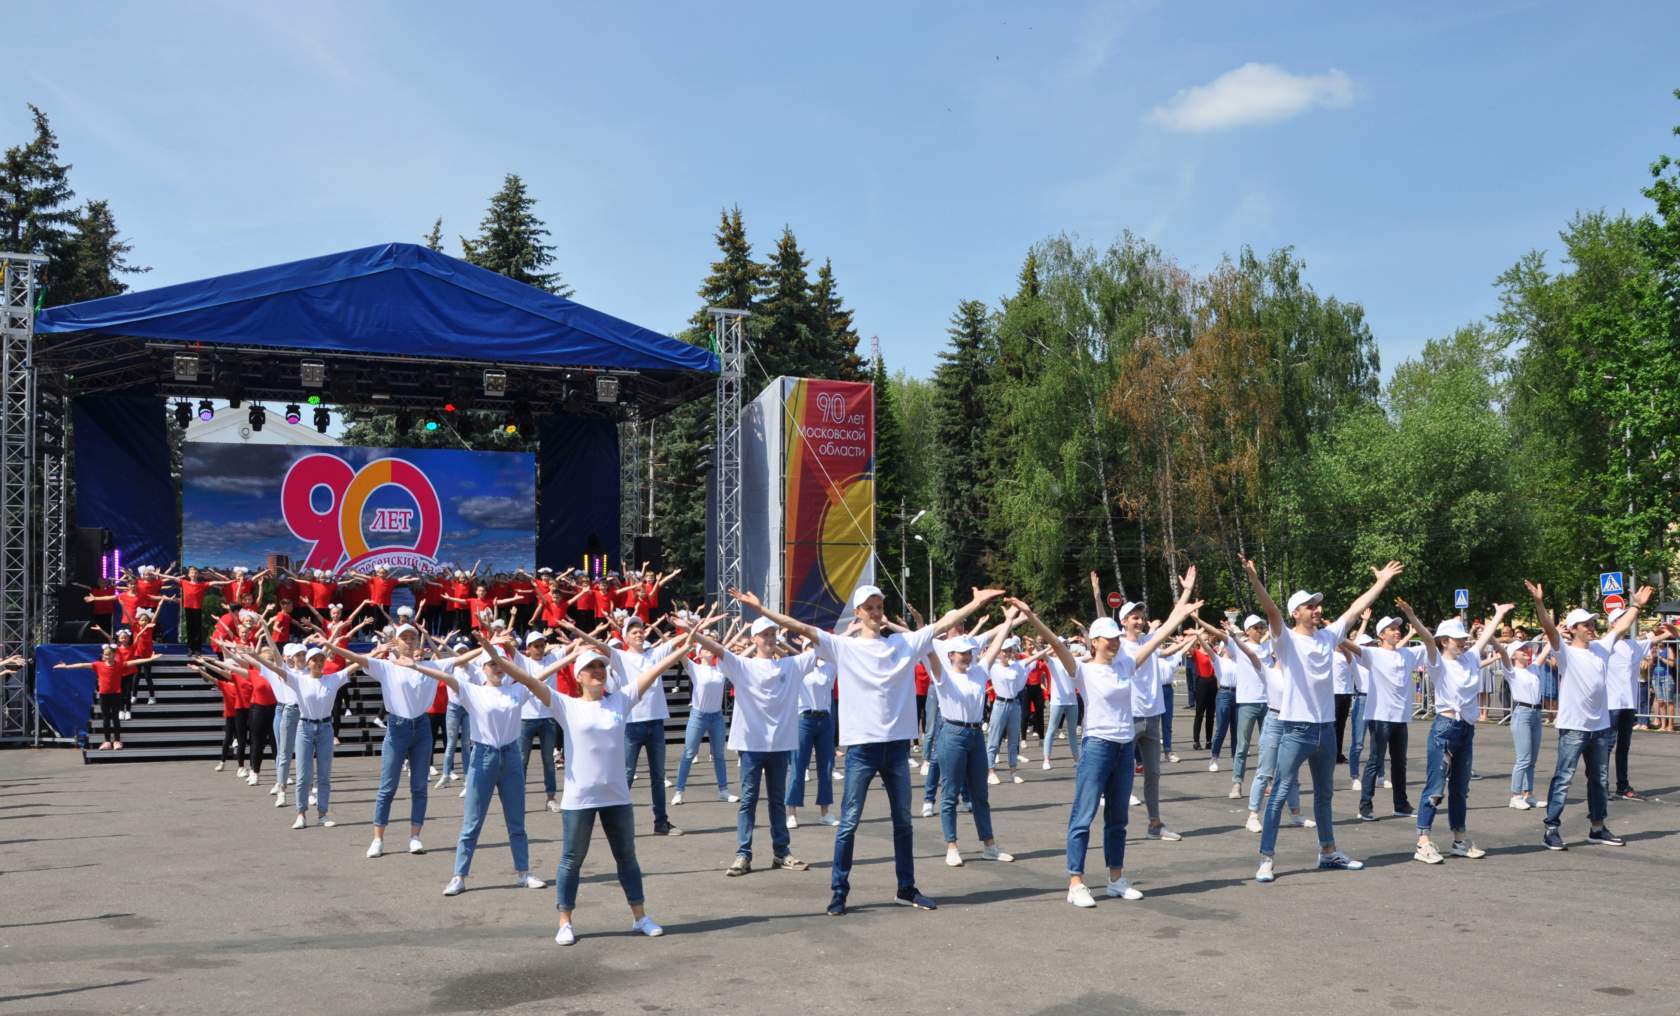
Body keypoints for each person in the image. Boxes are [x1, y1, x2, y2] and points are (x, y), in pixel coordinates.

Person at [731, 582, 1004, 917]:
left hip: (896, 748)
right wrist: (761, 611)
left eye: (879, 607)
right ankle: (839, 891)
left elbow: (943, 625)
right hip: (861, 748)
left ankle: (906, 888)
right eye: (869, 608)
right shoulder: (843, 647)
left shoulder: (903, 644)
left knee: (903, 821)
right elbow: (800, 627)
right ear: (858, 613)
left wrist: (974, 603)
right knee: (849, 823)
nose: (875, 612)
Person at [473, 626, 698, 945]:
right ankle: (565, 921)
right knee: (571, 859)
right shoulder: (565, 704)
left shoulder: (621, 700)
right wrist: (496, 656)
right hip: (579, 799)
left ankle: (640, 917)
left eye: (601, 667)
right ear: (578, 675)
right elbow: (526, 680)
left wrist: (684, 647)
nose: (598, 671)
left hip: (617, 797)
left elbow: (656, 669)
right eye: (590, 667)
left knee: (627, 858)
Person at [1014, 573, 1199, 908]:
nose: (1115, 642)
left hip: (1123, 747)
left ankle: (1116, 879)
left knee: (1118, 819)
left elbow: (1160, 636)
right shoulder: (1083, 670)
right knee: (1083, 815)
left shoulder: (1125, 665)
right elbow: (1055, 645)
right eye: (1108, 638)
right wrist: (1030, 615)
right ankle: (1076, 882)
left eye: (1117, 637)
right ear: (1095, 641)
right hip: (1097, 746)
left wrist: (1183, 599)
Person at [1241, 556, 1402, 882]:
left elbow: (1355, 609)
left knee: (1324, 795)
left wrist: (1381, 583)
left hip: (1325, 729)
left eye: (1317, 605)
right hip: (1295, 729)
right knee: (1280, 792)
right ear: (1296, 613)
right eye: (1309, 606)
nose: (1316, 609)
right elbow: (1271, 611)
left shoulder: (1328, 637)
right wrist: (1254, 579)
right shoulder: (1285, 639)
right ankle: (1267, 857)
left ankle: (1328, 852)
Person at [404, 639, 550, 899]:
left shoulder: (517, 690)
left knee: (517, 821)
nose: (497, 667)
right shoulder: (473, 691)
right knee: (472, 822)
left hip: (511, 758)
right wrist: (417, 666)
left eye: (500, 663)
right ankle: (459, 875)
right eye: (492, 663)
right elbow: (445, 677)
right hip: (483, 758)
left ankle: (524, 872)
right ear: (483, 667)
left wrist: (574, 655)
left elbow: (545, 672)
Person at [1527, 580, 1650, 849]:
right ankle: (1551, 828)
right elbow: (1548, 627)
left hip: (1600, 727)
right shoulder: (1565, 652)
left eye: (1593, 623)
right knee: (1564, 777)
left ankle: (1597, 827)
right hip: (1573, 726)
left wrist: (1637, 606)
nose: (1592, 627)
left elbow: (1620, 626)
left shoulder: (1600, 648)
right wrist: (1539, 603)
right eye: (1586, 625)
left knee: (1599, 779)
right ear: (1573, 630)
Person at [687, 616, 814, 876]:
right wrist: (693, 633)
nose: (769, 639)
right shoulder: (742, 666)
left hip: (780, 746)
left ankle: (782, 853)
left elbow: (822, 645)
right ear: (754, 639)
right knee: (749, 801)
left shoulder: (791, 666)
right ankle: (743, 854)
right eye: (764, 635)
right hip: (751, 745)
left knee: (778, 801)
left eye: (772, 634)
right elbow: (718, 649)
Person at [318, 625, 456, 859]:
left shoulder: (430, 667)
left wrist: (490, 648)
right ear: (397, 642)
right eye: (405, 638)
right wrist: (332, 647)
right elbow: (357, 659)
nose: (409, 641)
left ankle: (415, 837)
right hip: (397, 728)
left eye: (413, 638)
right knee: (387, 786)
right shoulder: (387, 667)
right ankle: (378, 839)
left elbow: (460, 658)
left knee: (419, 786)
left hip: (422, 728)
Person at [1393, 599, 1510, 864]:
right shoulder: (1437, 662)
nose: (1464, 642)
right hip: (1444, 729)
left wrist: (1499, 615)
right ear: (1444, 641)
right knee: (1436, 786)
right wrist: (1410, 614)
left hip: (1466, 730)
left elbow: (1486, 637)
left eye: (1464, 638)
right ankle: (1423, 841)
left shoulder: (1469, 658)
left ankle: (1459, 839)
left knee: (1460, 788)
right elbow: (1425, 636)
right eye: (1457, 639)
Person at [562, 615, 683, 836]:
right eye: (634, 632)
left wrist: (690, 630)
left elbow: (677, 644)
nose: (639, 634)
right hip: (632, 723)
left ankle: (661, 822)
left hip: (655, 721)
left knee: (658, 776)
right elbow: (598, 645)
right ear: (625, 637)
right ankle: (615, 821)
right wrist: (576, 630)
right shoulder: (620, 656)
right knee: (625, 773)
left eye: (641, 631)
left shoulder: (654, 654)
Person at [921, 614, 1020, 869]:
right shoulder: (942, 675)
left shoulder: (979, 671)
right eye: (961, 653)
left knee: (980, 794)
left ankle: (989, 845)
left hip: (976, 735)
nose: (966, 656)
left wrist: (1008, 621)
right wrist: (923, 627)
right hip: (952, 735)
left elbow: (996, 645)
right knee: (950, 793)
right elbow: (928, 647)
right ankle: (952, 846)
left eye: (969, 652)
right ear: (951, 654)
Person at [259, 643, 363, 829]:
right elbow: (276, 668)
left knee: (324, 775)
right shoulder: (299, 680)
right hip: (304, 728)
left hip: (325, 728)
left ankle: (322, 814)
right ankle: (301, 814)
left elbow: (356, 664)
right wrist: (256, 657)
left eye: (321, 659)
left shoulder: (333, 679)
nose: (319, 662)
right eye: (315, 659)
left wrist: (377, 652)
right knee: (303, 775)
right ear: (308, 663)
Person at [1115, 600, 1194, 840]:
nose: (1139, 621)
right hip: (1129, 717)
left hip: (1152, 718)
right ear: (1123, 621)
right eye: (1134, 617)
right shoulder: (1117, 646)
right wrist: (1098, 596)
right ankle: (1116, 827)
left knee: (1153, 774)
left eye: (1141, 617)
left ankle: (1154, 824)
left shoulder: (1149, 641)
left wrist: (1186, 595)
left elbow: (1170, 623)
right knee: (1121, 774)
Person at [1353, 615, 1422, 821]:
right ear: (1381, 635)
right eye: (1391, 628)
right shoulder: (1373, 654)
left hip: (1401, 717)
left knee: (1400, 762)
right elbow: (1351, 645)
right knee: (1375, 760)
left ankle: (1401, 804)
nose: (1396, 631)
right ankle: (1365, 805)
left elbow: (1430, 641)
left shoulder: (1408, 653)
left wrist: (1413, 620)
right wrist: (1332, 633)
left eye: (1398, 628)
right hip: (1380, 716)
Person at [785, 637, 840, 827]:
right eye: (809, 647)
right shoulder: (799, 668)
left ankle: (825, 811)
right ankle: (791, 812)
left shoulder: (829, 667)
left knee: (825, 767)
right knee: (798, 765)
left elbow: (839, 648)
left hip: (824, 719)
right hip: (804, 719)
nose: (813, 651)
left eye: (815, 647)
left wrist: (851, 629)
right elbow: (786, 653)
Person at [56, 645, 155, 750]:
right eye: (106, 654)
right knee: (106, 718)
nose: (108, 656)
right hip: (104, 695)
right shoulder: (98, 665)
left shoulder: (119, 665)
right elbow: (82, 665)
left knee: (115, 718)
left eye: (110, 654)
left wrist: (150, 659)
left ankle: (117, 741)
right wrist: (67, 667)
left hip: (116, 695)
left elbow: (134, 662)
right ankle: (107, 741)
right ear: (103, 656)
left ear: (114, 655)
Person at [673, 642, 736, 805]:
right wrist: (688, 640)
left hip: (717, 716)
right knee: (689, 753)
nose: (709, 651)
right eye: (704, 649)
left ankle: (723, 790)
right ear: (699, 653)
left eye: (710, 648)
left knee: (719, 755)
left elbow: (736, 657)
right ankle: (679, 791)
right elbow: (679, 653)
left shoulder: (720, 669)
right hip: (698, 715)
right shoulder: (694, 668)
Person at [1500, 637, 1550, 810]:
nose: (1527, 652)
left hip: (1536, 714)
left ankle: (1529, 795)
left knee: (1532, 760)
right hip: (1522, 713)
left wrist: (1553, 635)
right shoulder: (1511, 671)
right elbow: (1503, 654)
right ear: (1513, 655)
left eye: (1527, 649)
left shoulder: (1533, 668)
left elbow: (1544, 652)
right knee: (1523, 758)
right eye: (1522, 650)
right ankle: (1515, 796)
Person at [1042, 631, 1082, 771]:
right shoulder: (1052, 661)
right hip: (1057, 702)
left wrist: (1083, 632)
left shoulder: (1074, 660)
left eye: (1066, 644)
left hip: (1072, 702)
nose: (1064, 646)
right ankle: (1046, 759)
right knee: (1052, 730)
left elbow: (1090, 655)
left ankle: (1077, 759)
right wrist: (1052, 646)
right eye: (1062, 644)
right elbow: (1041, 653)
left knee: (1072, 732)